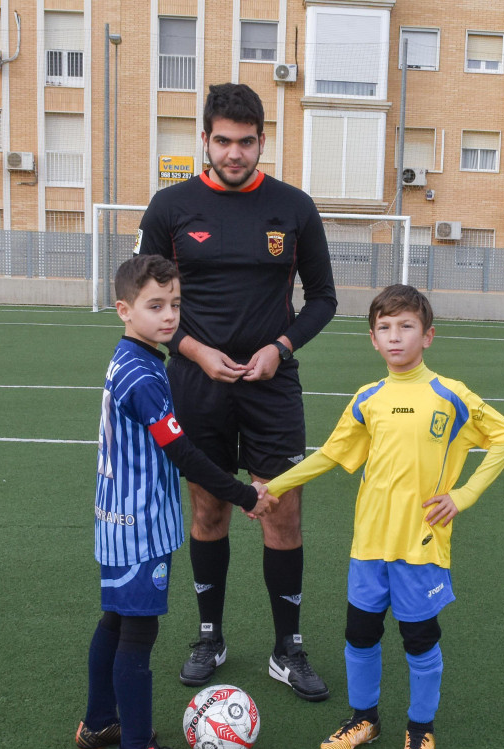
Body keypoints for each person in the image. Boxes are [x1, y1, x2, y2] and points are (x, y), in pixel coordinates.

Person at [134, 82, 337, 701]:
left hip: (272, 387)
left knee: (281, 510)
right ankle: (210, 635)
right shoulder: (169, 208)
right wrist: (192, 351)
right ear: (204, 139)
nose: (234, 153)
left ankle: (287, 648)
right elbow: (149, 304)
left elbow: (323, 298)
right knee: (209, 509)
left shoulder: (294, 208)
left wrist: (281, 349)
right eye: (222, 140)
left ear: (262, 141)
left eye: (246, 142)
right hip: (196, 383)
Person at [265, 285, 504, 749]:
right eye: (384, 328)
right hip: (369, 544)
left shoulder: (449, 395)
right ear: (373, 340)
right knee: (359, 634)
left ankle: (420, 730)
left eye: (406, 326)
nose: (395, 336)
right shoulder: (368, 399)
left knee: (419, 638)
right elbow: (330, 454)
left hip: (421, 544)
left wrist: (463, 496)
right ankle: (364, 720)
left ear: (428, 336)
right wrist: (273, 487)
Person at [76, 254, 278, 749]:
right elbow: (181, 452)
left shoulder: (133, 357)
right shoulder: (142, 374)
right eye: (155, 305)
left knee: (115, 620)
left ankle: (100, 724)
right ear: (124, 308)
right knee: (137, 633)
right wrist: (243, 494)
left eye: (176, 304)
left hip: (116, 515)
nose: (169, 316)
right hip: (138, 523)